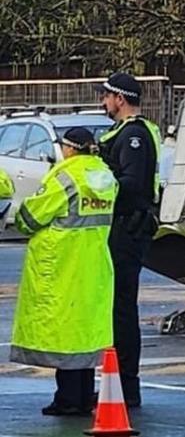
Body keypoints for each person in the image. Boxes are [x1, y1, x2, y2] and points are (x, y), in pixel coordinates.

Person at [8, 128, 117, 415]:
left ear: (70, 148)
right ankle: (81, 396)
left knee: (64, 333)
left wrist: (19, 220)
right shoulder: (105, 177)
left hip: (60, 264)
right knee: (84, 333)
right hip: (94, 264)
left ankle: (68, 399)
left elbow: (30, 217)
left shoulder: (64, 177)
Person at [96, 72, 162, 406]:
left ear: (119, 99)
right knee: (117, 307)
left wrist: (98, 186)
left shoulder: (133, 135)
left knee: (121, 309)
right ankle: (118, 384)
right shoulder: (127, 133)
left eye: (106, 96)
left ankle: (125, 385)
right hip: (124, 228)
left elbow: (132, 184)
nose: (103, 102)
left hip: (127, 228)